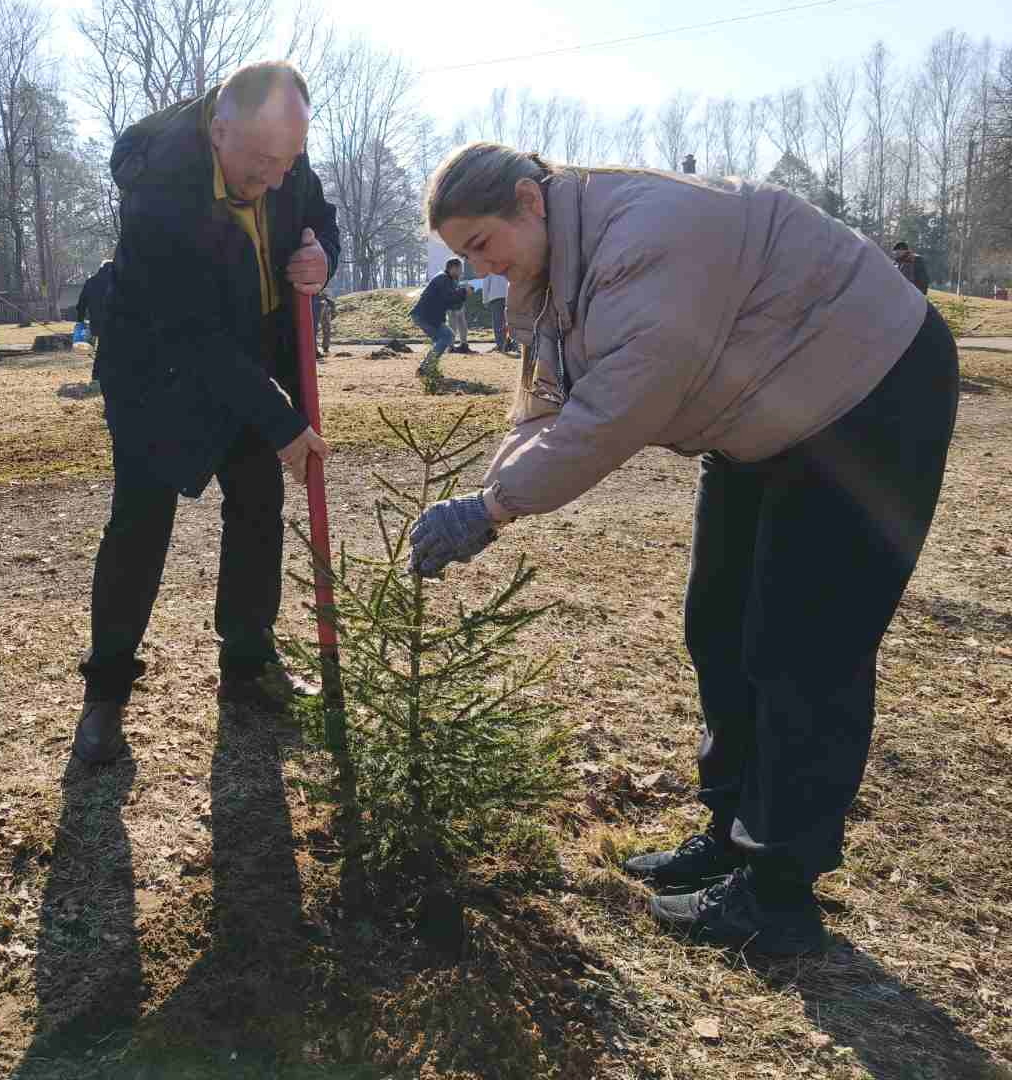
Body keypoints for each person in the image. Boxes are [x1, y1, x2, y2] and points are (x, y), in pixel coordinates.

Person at [408, 143, 958, 956]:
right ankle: (729, 832)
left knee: (802, 647)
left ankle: (778, 893)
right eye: (465, 255)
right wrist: (486, 500)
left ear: (528, 200)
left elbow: (614, 410)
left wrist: (491, 510)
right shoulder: (552, 271)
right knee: (718, 622)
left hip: (867, 392)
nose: (481, 269)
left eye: (482, 245)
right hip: (758, 415)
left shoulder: (648, 234)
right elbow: (547, 406)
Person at [74, 61, 339, 766]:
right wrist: (282, 421)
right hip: (155, 369)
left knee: (256, 507)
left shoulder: (280, 157)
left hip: (247, 353)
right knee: (141, 523)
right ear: (218, 131)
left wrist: (323, 258)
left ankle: (248, 666)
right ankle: (105, 694)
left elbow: (318, 219)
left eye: (287, 161)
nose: (275, 179)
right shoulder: (159, 189)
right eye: (261, 163)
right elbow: (191, 333)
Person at [411, 257, 469, 379]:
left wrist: (463, 294)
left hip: (427, 315)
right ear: (453, 268)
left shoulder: (447, 279)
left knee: (440, 340)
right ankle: (425, 368)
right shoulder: (443, 279)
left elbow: (453, 305)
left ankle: (429, 369)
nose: (461, 272)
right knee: (448, 336)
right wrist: (463, 292)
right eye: (460, 269)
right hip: (426, 315)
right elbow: (448, 298)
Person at [76, 259, 114, 379]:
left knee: (102, 347)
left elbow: (81, 303)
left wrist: (80, 320)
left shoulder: (91, 282)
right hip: (114, 321)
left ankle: (97, 374)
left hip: (97, 322)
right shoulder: (115, 281)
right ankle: (101, 374)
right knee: (110, 348)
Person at [482, 272, 515, 354]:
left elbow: (486, 283)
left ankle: (500, 345)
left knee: (498, 322)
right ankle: (512, 344)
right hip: (508, 294)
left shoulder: (490, 268)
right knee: (510, 321)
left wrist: (485, 300)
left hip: (495, 297)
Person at [312, 290, 335, 357]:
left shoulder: (325, 298)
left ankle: (324, 348)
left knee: (325, 328)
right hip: (317, 303)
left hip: (321, 303)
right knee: (314, 329)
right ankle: (317, 350)